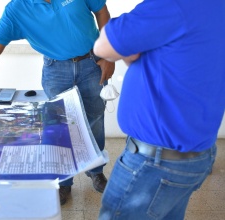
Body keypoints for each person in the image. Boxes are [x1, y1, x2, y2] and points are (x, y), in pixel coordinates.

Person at [0, 0, 115, 205]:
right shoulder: (17, 9)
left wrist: (108, 52)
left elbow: (102, 12)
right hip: (56, 71)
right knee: (59, 128)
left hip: (93, 62)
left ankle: (96, 170)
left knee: (94, 118)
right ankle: (64, 182)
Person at [93, 0, 225, 219]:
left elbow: (103, 46)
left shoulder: (172, 6)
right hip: (195, 156)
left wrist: (127, 49)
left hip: (155, 163)